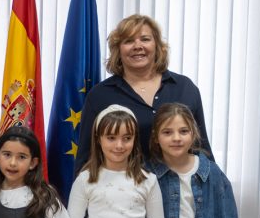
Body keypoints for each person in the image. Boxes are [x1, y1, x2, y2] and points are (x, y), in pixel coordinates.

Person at [76, 14, 212, 172]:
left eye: (145, 39)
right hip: (127, 185)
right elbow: (87, 156)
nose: (137, 46)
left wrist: (215, 183)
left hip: (182, 184)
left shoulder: (184, 87)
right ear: (118, 50)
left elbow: (201, 147)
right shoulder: (100, 95)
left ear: (157, 46)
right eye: (128, 41)